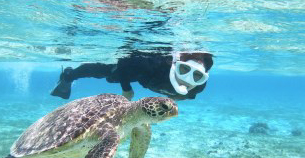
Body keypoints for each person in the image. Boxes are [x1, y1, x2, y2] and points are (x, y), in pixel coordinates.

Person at [51, 50, 213, 101]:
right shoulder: (154, 65)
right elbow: (125, 66)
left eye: (198, 76)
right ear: (176, 65)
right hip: (135, 70)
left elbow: (186, 95)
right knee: (105, 72)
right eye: (184, 70)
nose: (187, 79)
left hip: (144, 78)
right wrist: (127, 90)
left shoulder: (198, 86)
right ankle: (68, 75)